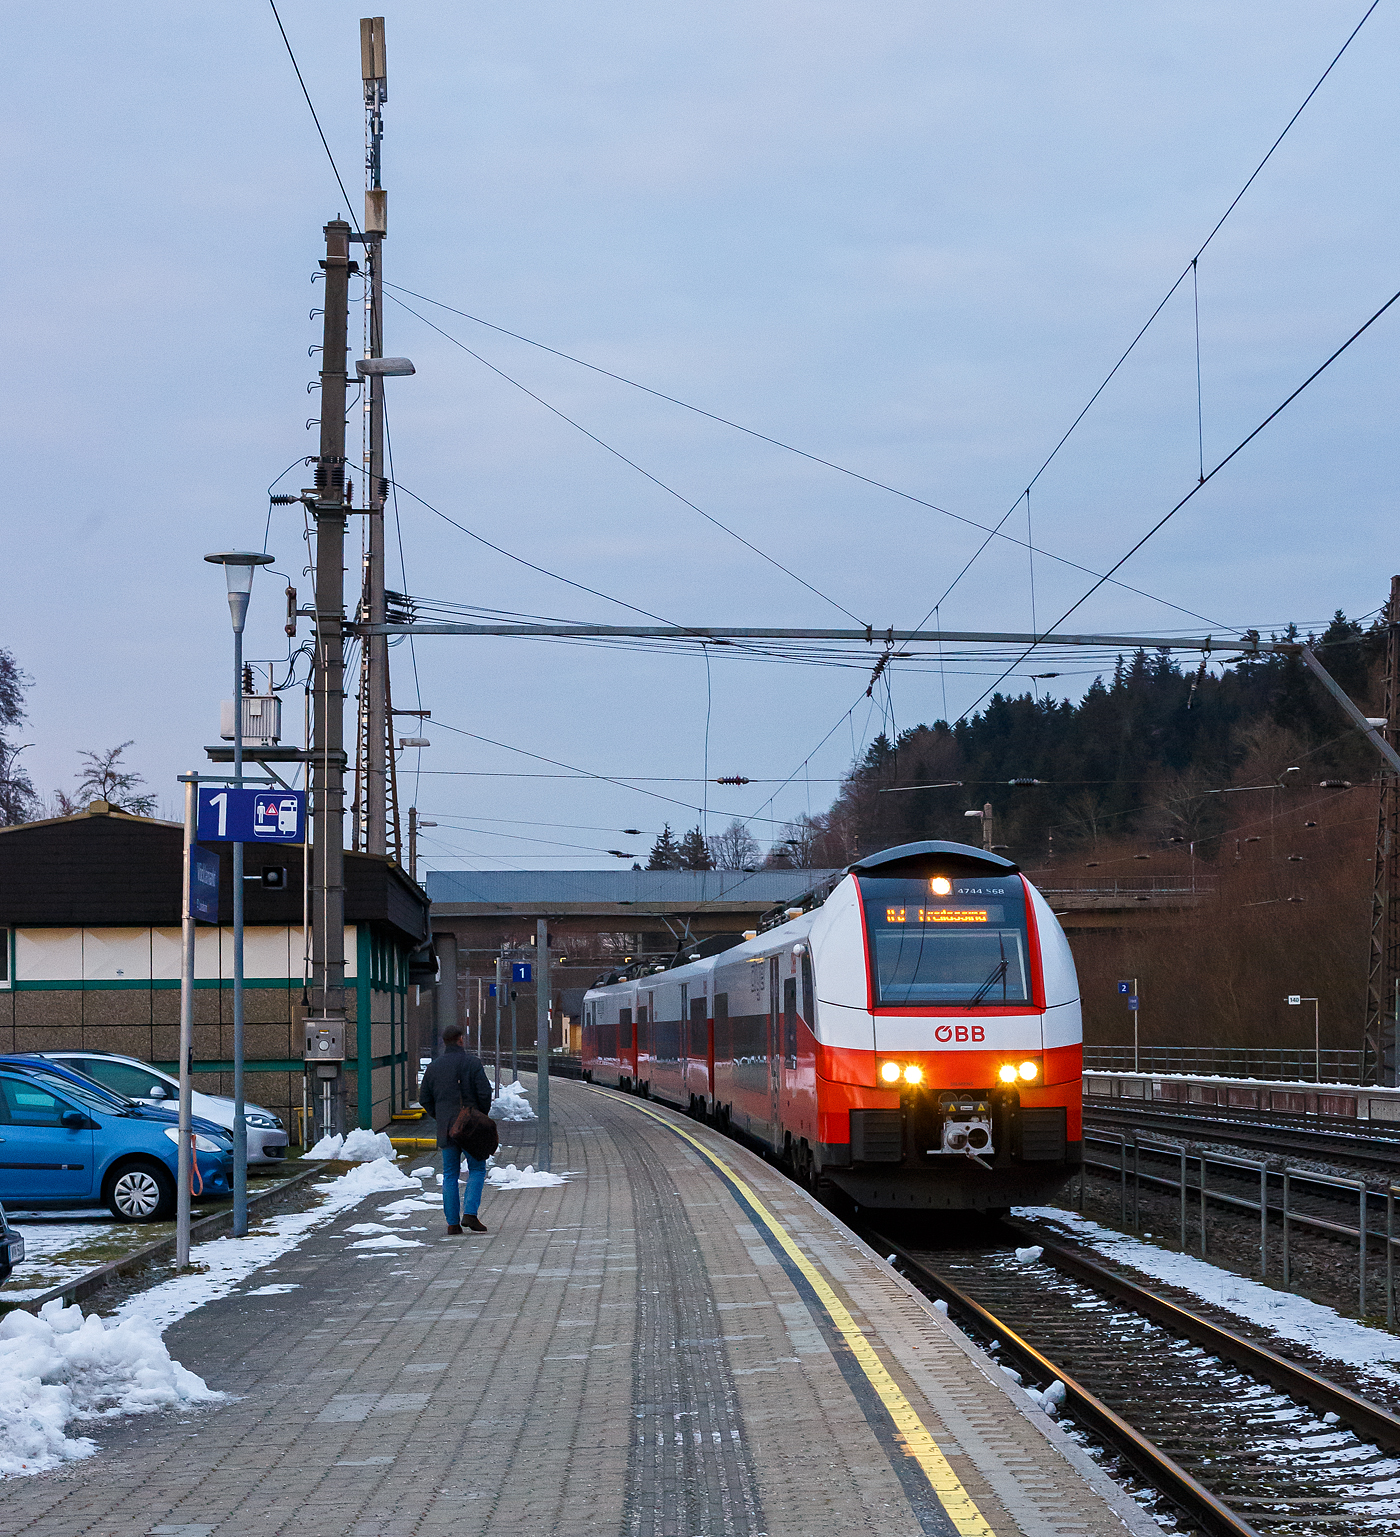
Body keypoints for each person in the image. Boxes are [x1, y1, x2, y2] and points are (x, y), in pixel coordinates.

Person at [417, 1024, 493, 1234]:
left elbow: (424, 1098)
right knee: (477, 1169)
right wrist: (479, 1116)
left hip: (446, 1128)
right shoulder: (472, 1063)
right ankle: (470, 1214)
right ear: (460, 1039)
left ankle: (452, 1224)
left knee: (450, 1173)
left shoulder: (434, 1067)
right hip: (471, 1128)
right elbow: (485, 1093)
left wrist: (440, 1116)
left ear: (444, 1041)